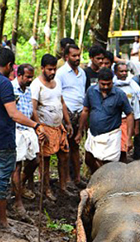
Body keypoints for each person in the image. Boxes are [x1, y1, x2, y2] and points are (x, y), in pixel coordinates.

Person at [0, 47, 43, 229]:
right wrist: (36, 125)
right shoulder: (4, 83)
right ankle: (2, 220)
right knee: (1, 179)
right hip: (3, 137)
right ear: (10, 65)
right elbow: (13, 114)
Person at [31, 53, 72, 201]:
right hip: (45, 126)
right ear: (42, 68)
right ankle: (46, 188)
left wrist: (67, 122)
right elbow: (33, 109)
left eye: (54, 69)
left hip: (58, 126)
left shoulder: (57, 82)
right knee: (45, 160)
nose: (52, 72)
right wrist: (39, 127)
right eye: (49, 69)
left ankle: (62, 187)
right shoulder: (36, 85)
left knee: (64, 156)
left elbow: (62, 102)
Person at [76, 67, 133, 173]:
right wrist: (80, 132)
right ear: (98, 82)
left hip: (111, 135)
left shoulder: (120, 94)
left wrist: (129, 138)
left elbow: (129, 114)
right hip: (93, 134)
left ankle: (107, 184)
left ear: (112, 81)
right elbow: (85, 111)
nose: (106, 87)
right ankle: (97, 178)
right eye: (103, 84)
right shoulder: (91, 91)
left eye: (108, 84)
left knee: (109, 165)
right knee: (89, 159)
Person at [55, 43, 86, 188]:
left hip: (80, 114)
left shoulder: (82, 73)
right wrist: (65, 118)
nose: (77, 58)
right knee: (65, 148)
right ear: (67, 57)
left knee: (76, 146)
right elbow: (58, 96)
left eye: (79, 55)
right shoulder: (61, 73)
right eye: (74, 55)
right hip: (66, 114)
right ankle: (66, 179)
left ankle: (78, 178)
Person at [11, 63, 39, 214]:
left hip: (28, 129)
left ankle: (19, 186)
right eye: (28, 77)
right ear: (19, 75)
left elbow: (30, 110)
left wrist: (38, 125)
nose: (30, 80)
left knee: (35, 160)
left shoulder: (28, 90)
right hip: (15, 129)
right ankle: (17, 201)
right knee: (17, 165)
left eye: (31, 77)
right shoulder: (10, 88)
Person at [113, 61, 140, 163]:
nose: (124, 73)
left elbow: (136, 107)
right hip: (113, 121)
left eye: (126, 71)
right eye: (121, 71)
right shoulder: (111, 86)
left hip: (126, 121)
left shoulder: (132, 86)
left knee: (124, 148)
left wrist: (136, 126)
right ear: (116, 72)